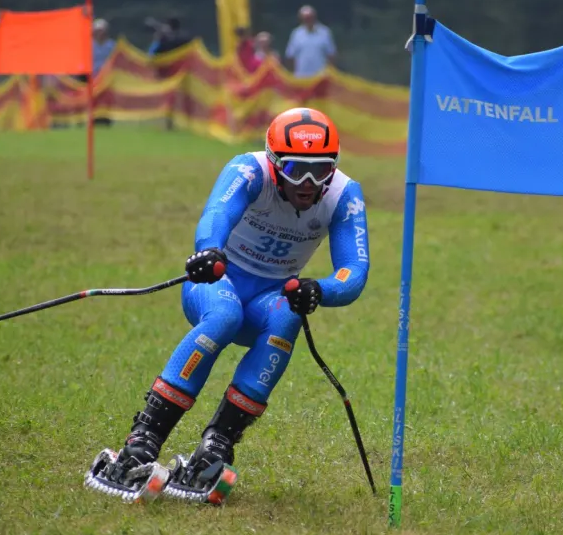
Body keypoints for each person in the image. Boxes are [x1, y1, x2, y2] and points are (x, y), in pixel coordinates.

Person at [87, 107, 370, 502]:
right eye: (294, 169)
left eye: (320, 170)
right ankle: (144, 438)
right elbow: (217, 214)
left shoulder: (343, 195)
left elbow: (354, 271)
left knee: (289, 315)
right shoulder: (249, 170)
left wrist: (320, 290)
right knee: (224, 315)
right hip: (219, 280)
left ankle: (218, 444)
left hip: (269, 299)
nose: (307, 183)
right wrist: (209, 251)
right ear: (273, 163)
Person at [284, 5, 337, 78]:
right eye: (305, 18)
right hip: (301, 77)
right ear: (301, 19)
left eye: (310, 17)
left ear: (314, 17)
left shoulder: (324, 32)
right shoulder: (296, 33)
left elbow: (331, 55)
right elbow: (290, 56)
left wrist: (331, 73)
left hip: (321, 78)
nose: (308, 20)